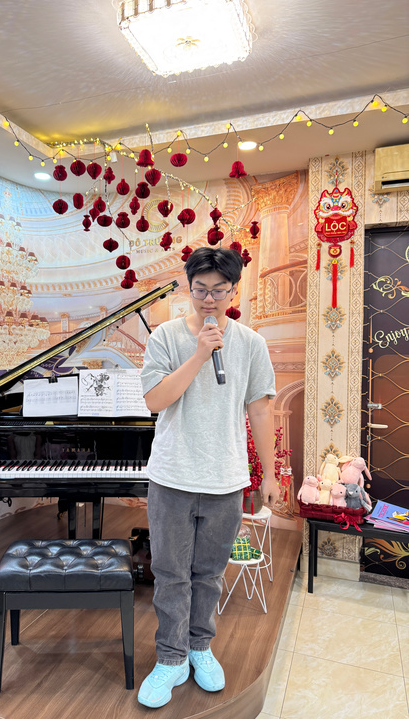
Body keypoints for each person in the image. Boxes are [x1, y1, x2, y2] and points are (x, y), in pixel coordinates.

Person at [138, 246, 279, 709]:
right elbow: (156, 401)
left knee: (209, 574)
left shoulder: (251, 343)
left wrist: (270, 474)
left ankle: (200, 647)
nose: (209, 299)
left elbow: (260, 410)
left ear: (234, 291)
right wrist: (200, 353)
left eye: (219, 290)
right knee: (170, 574)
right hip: (172, 477)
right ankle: (170, 657)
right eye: (200, 290)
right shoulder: (165, 337)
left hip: (225, 479)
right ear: (189, 287)